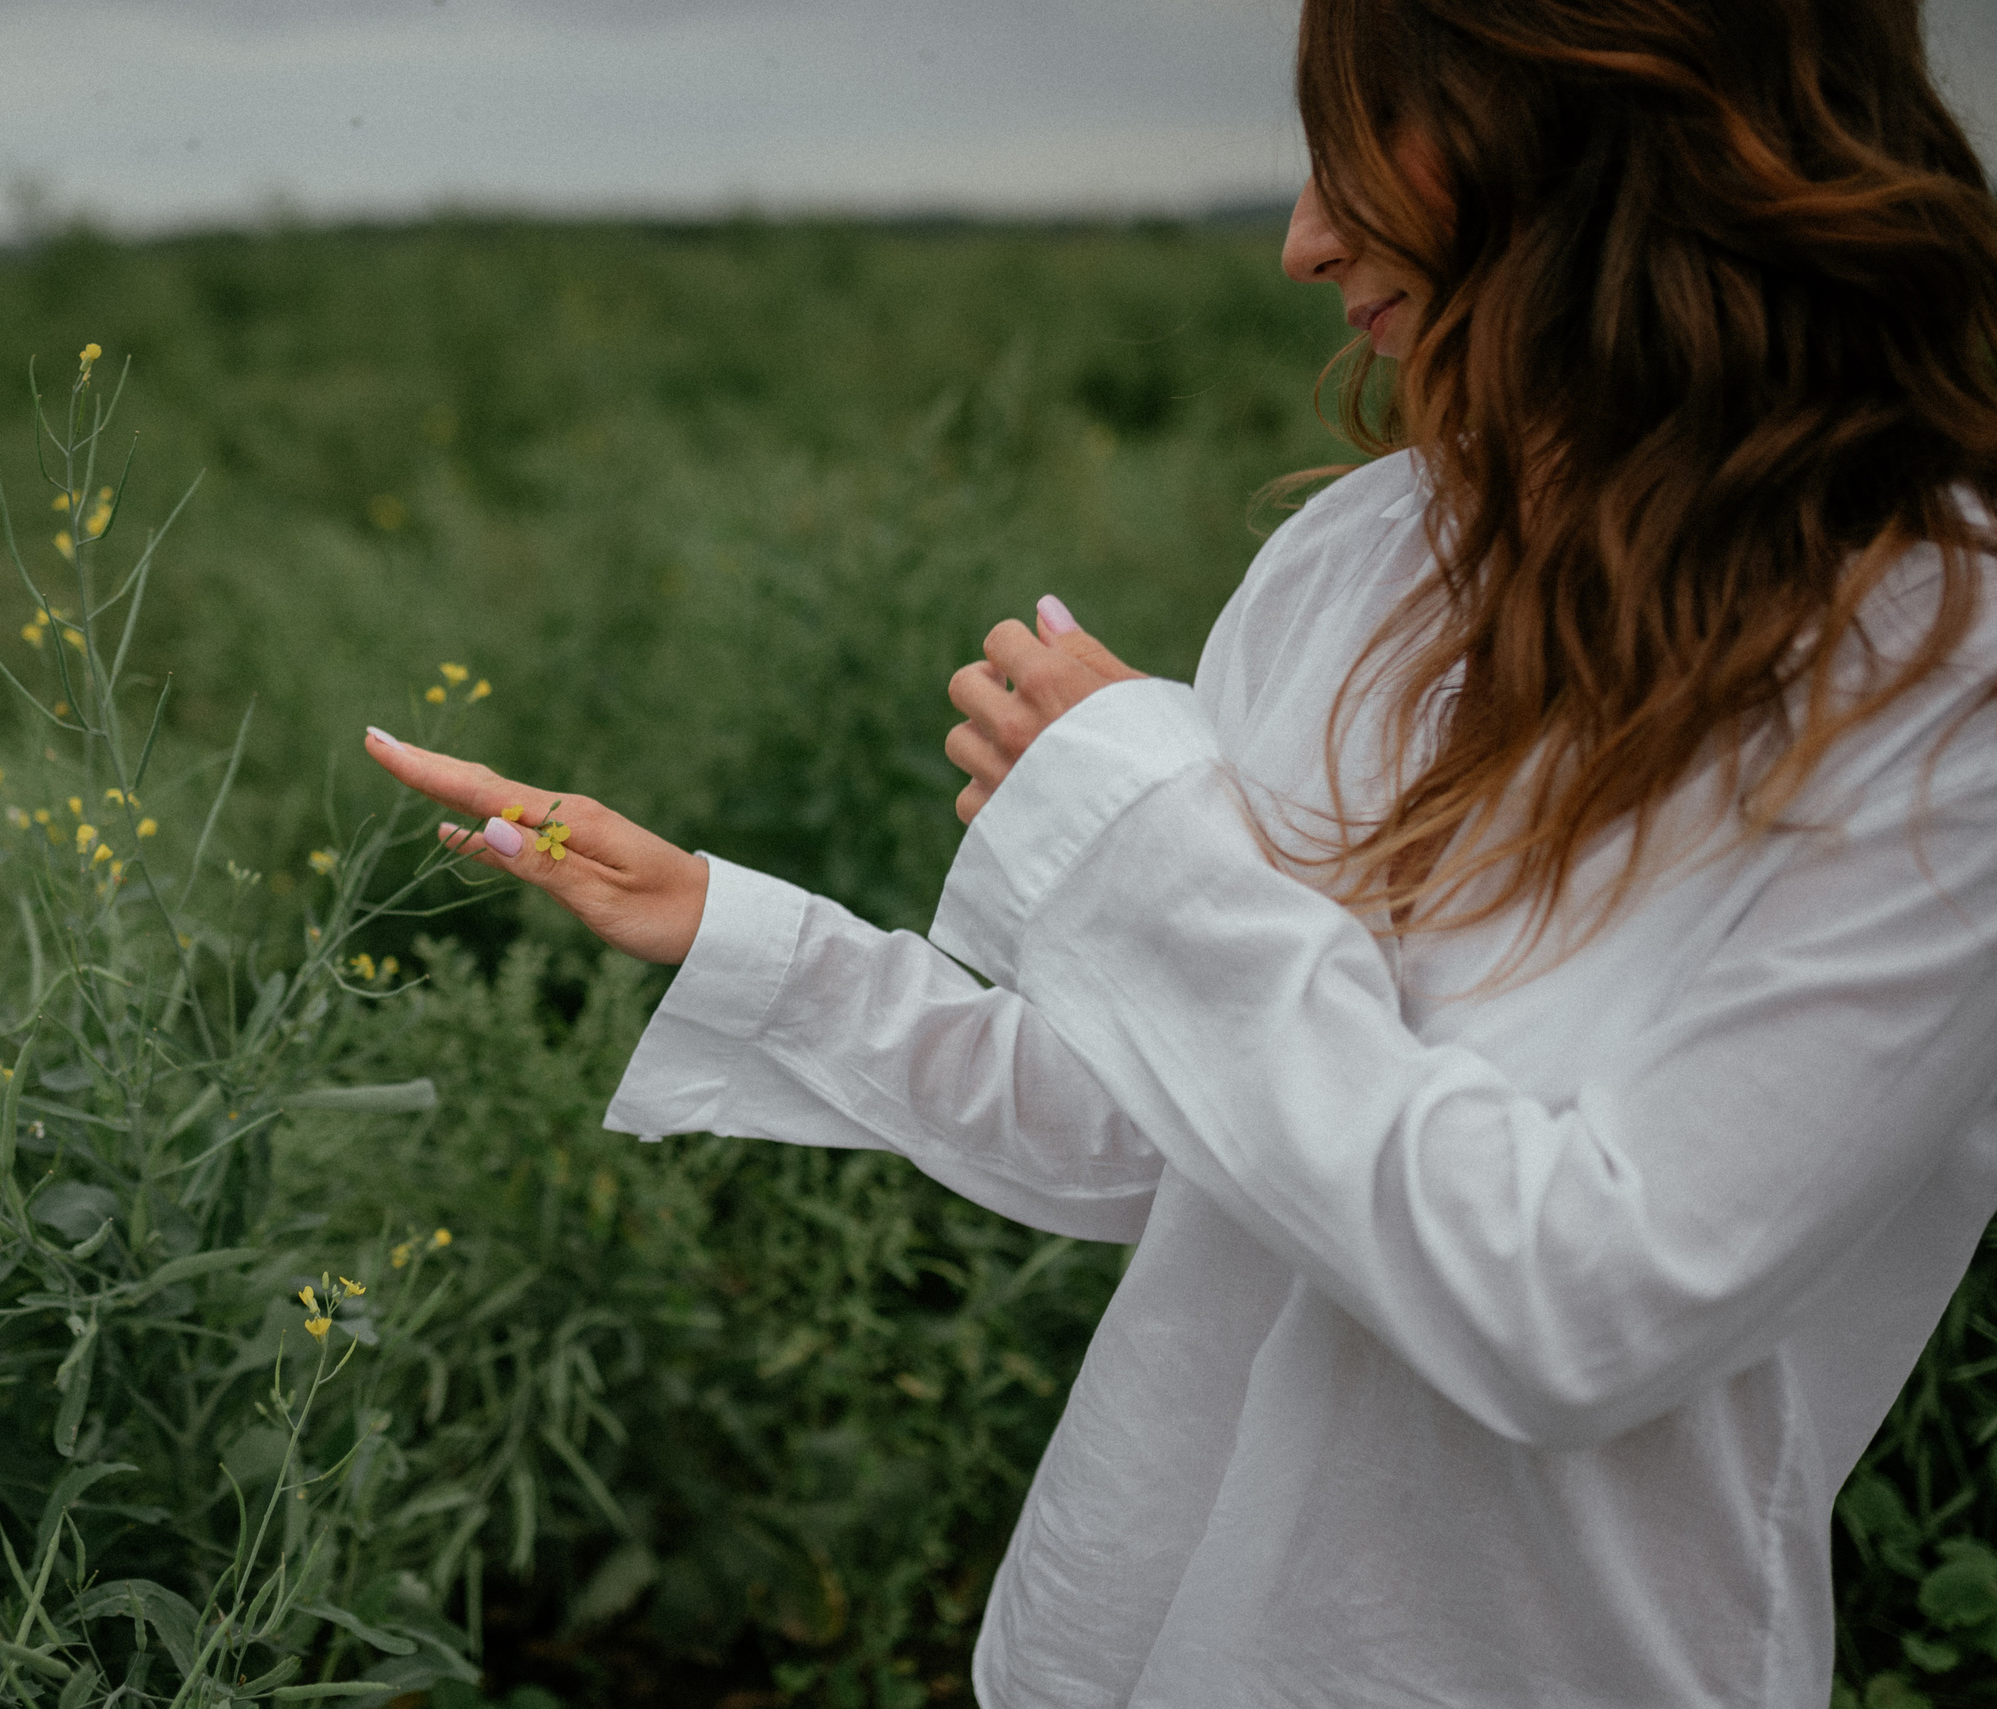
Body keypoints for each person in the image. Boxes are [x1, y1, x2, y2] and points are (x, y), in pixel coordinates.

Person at [366, 0, 1997, 1701]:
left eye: (1366, 147)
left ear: (1606, 118)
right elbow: (1165, 1137)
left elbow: (1581, 1308)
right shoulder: (1365, 565)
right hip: (1130, 1634)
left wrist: (1148, 845)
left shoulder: (1940, 679)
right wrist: (732, 925)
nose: (1303, 239)